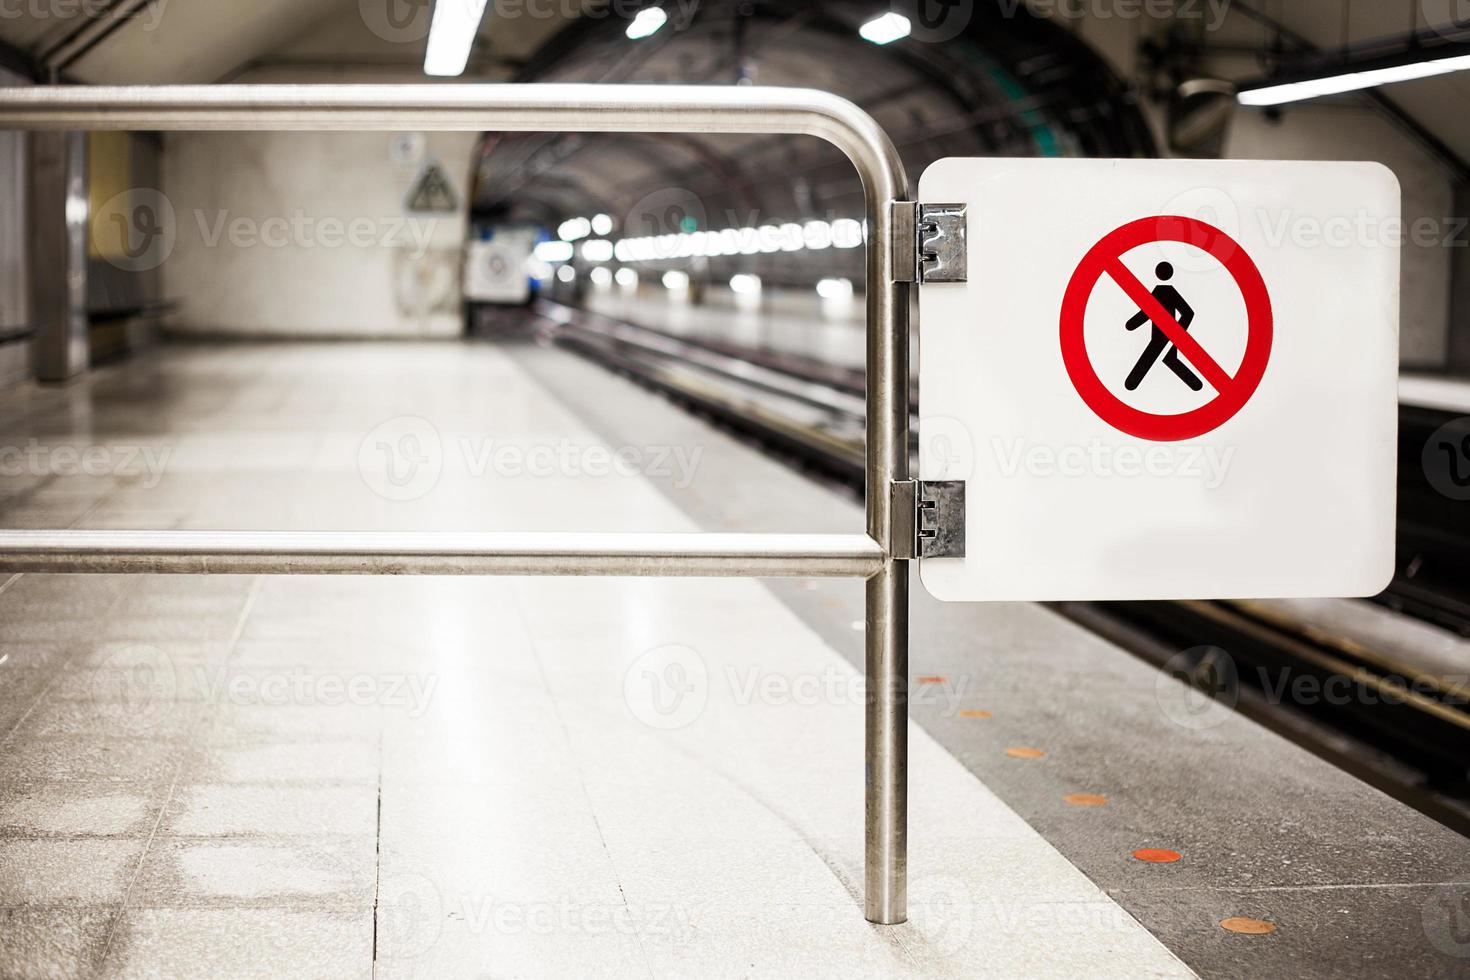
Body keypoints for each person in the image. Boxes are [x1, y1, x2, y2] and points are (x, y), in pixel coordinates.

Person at [1125, 262, 1202, 392]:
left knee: (1151, 358)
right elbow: (1188, 313)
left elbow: (1145, 313)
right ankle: (1197, 385)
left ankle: (1131, 384)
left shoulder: (1161, 293)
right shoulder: (1168, 292)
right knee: (1170, 359)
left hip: (1160, 338)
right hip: (1166, 336)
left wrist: (1177, 332)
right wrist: (1178, 332)